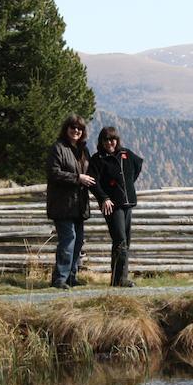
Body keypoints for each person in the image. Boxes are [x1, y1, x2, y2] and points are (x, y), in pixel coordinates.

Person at [88, 127, 143, 287]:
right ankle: (120, 280)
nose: (110, 143)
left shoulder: (125, 154)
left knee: (125, 242)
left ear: (117, 140)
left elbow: (138, 165)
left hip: (127, 204)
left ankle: (118, 279)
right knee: (120, 241)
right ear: (101, 142)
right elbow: (93, 182)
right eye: (106, 140)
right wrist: (104, 197)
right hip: (113, 206)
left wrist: (128, 184)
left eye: (112, 139)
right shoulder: (98, 159)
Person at [46, 114, 95, 289]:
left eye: (79, 128)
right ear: (66, 129)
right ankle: (60, 279)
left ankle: (71, 277)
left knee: (78, 241)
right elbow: (53, 173)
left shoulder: (84, 150)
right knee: (68, 240)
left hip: (79, 205)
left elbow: (91, 173)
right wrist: (77, 178)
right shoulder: (58, 148)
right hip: (62, 204)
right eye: (73, 127)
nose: (76, 131)